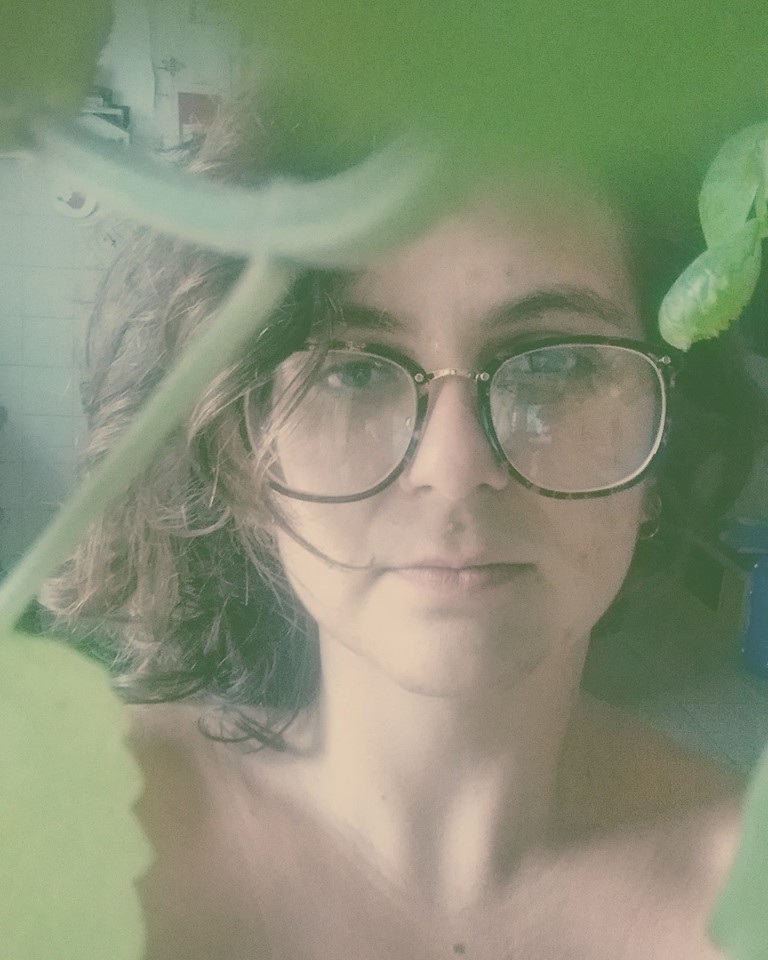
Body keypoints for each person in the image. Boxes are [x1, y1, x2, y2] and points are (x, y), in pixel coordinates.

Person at [43, 84, 766, 959]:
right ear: (241, 454)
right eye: (350, 371)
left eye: (558, 362)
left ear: (666, 436)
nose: (455, 471)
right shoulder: (47, 828)